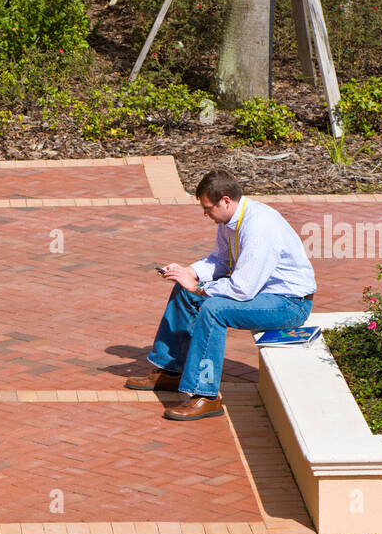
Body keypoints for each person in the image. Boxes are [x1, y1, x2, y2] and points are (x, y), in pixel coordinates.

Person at [126, 169, 317, 420]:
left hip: (288, 304)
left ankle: (206, 396)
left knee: (213, 310)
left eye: (208, 208)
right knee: (184, 292)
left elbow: (242, 288)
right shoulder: (231, 221)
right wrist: (189, 272)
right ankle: (172, 371)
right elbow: (220, 261)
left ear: (225, 200)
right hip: (263, 293)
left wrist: (199, 287)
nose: (206, 215)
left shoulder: (259, 227)